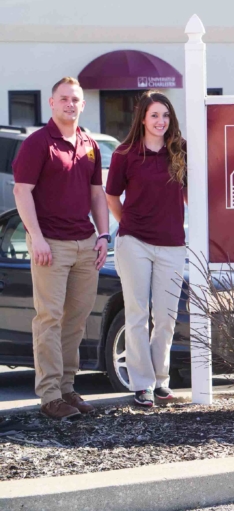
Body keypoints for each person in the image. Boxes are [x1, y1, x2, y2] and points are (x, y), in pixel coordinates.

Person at [12, 77, 109, 420]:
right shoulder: (38, 143)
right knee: (49, 319)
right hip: (50, 244)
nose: (70, 104)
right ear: (52, 103)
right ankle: (50, 396)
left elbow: (97, 194)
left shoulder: (89, 144)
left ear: (83, 104)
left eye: (75, 99)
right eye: (64, 98)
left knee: (76, 321)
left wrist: (103, 235)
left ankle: (67, 389)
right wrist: (36, 237)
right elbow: (21, 191)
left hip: (85, 243)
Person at [105, 91, 187, 408]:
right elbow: (112, 196)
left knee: (165, 316)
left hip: (172, 245)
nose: (160, 121)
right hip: (134, 243)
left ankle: (161, 380)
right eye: (154, 115)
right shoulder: (125, 154)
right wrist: (129, 224)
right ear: (142, 118)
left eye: (165, 115)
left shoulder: (179, 151)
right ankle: (143, 385)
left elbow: (190, 195)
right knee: (137, 313)